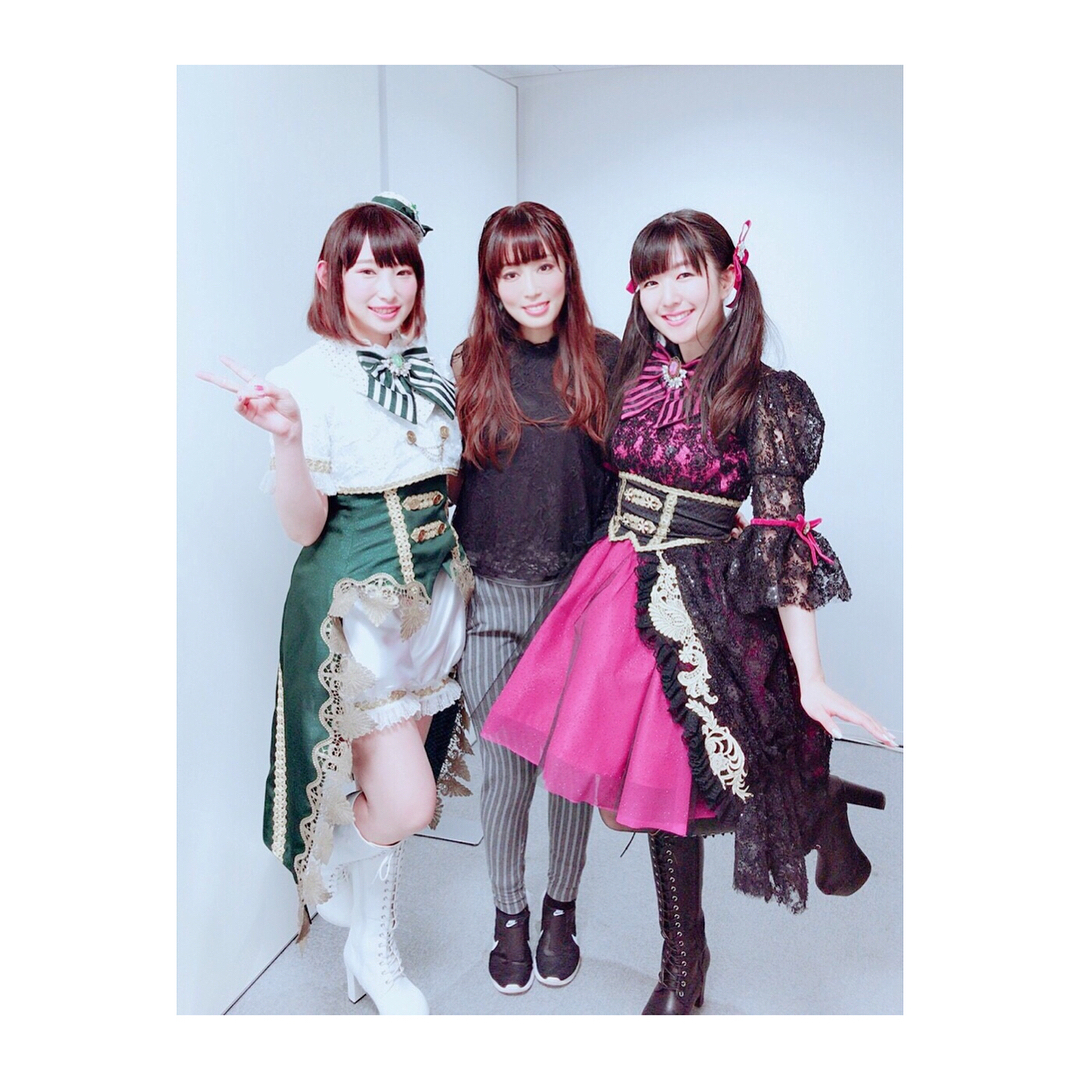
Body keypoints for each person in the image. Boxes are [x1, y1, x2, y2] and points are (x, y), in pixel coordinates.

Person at [483, 209, 896, 1014]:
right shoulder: (629, 370)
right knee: (641, 797)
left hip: (704, 595)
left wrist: (812, 676)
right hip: (615, 587)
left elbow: (783, 535)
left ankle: (692, 950)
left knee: (699, 786)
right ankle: (799, 821)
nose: (668, 295)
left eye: (686, 274)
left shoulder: (768, 396)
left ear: (728, 278)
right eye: (651, 279)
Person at [198, 195, 473, 1015]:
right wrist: (286, 438)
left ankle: (371, 943)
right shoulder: (304, 379)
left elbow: (446, 482)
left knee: (398, 795)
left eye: (402, 269)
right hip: (357, 618)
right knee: (410, 802)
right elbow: (303, 526)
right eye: (367, 270)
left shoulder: (428, 367)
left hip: (431, 606)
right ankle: (343, 896)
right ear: (330, 274)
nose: (387, 288)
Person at [451, 202, 619, 994]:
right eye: (511, 272)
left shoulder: (607, 358)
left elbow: (630, 478)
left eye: (542, 266)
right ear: (493, 285)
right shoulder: (470, 364)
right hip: (492, 600)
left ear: (567, 268)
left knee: (571, 767)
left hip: (577, 600)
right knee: (508, 772)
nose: (530, 287)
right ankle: (509, 915)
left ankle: (561, 909)